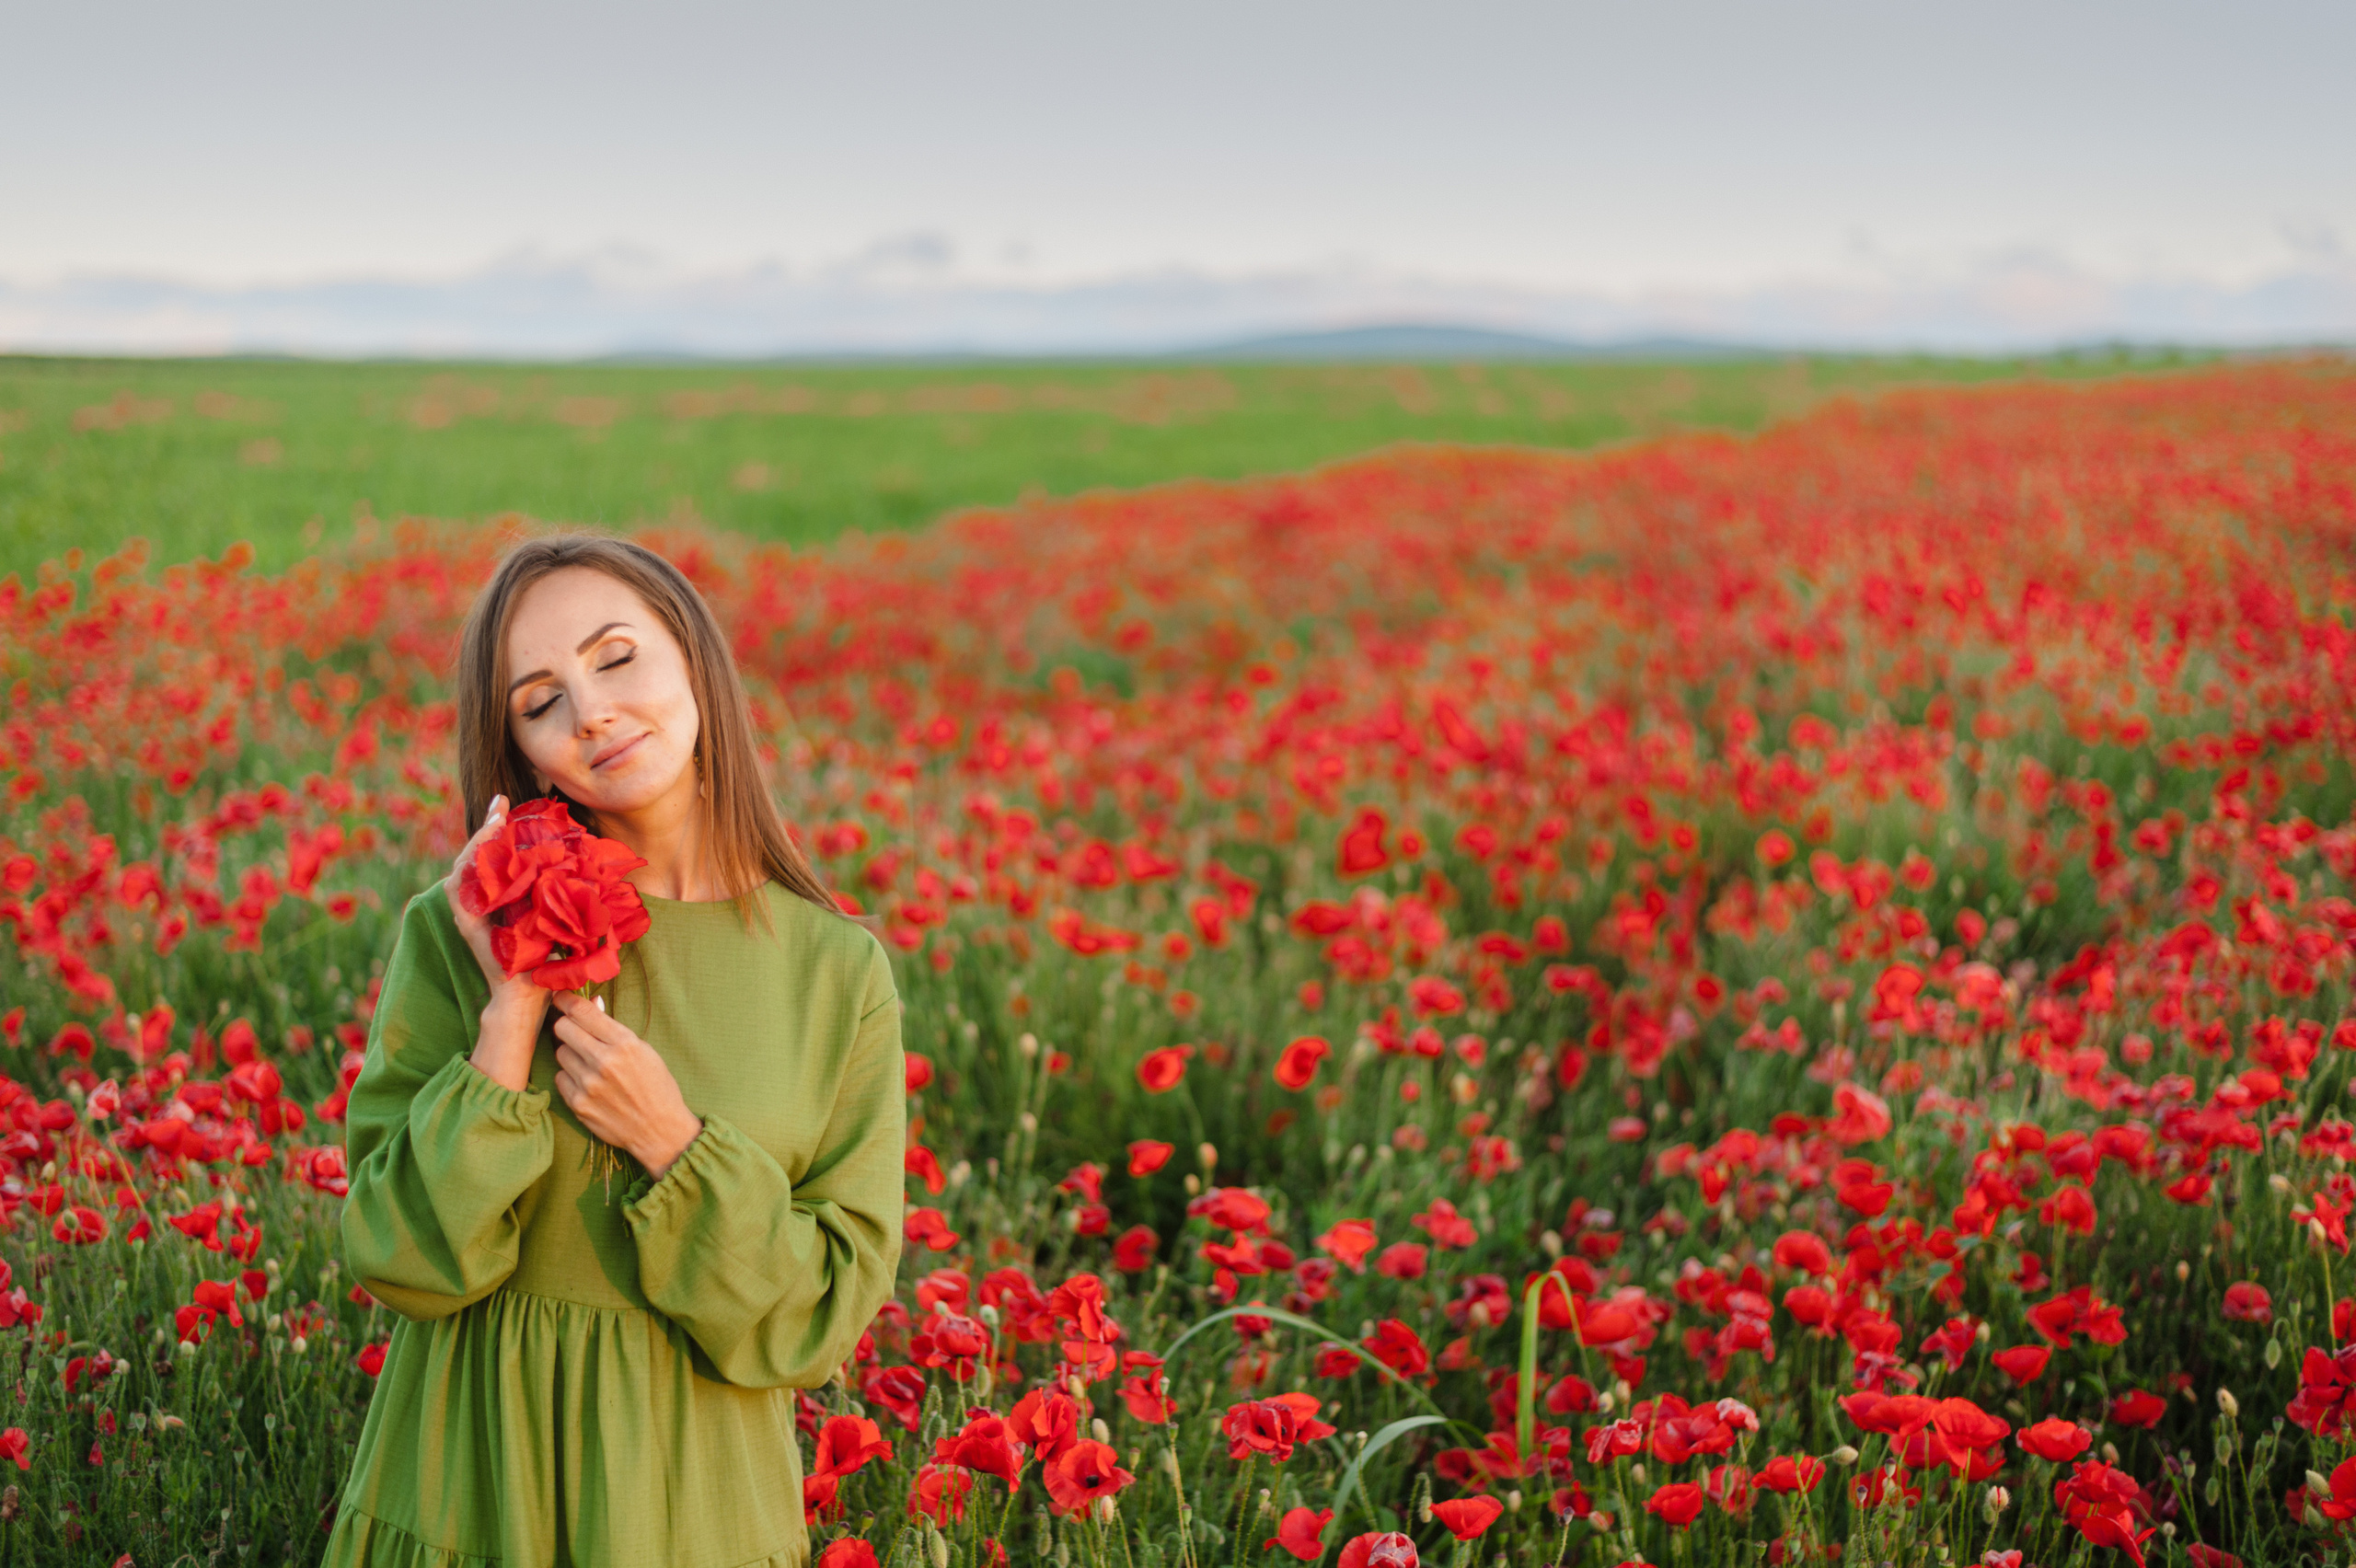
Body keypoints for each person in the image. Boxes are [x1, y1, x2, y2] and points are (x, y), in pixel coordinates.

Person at [321, 534, 906, 1567]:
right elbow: (398, 1261)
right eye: (539, 701)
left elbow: (816, 1321)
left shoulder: (837, 971)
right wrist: (509, 1018)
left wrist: (675, 1144)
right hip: (465, 1490)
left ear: (693, 656)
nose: (589, 711)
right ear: (520, 752)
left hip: (698, 1513)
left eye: (617, 656)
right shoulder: (457, 928)